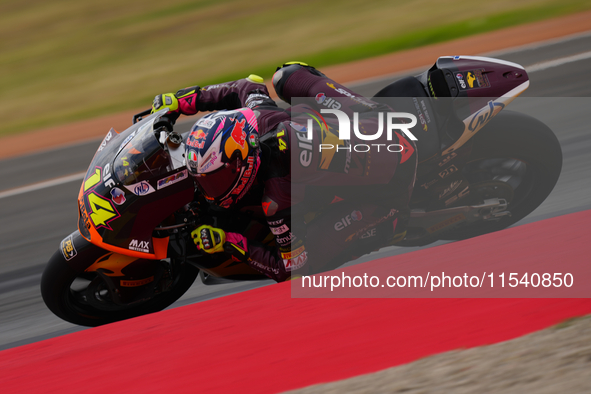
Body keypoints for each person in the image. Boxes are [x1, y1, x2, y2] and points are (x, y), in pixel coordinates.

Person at [151, 62, 417, 282]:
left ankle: (390, 223)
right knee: (286, 74)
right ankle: (366, 109)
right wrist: (182, 101)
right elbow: (247, 85)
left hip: (392, 189)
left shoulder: (276, 199)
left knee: (309, 263)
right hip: (379, 122)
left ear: (241, 164)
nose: (208, 188)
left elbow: (289, 268)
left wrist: (228, 241)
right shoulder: (259, 114)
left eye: (215, 179)